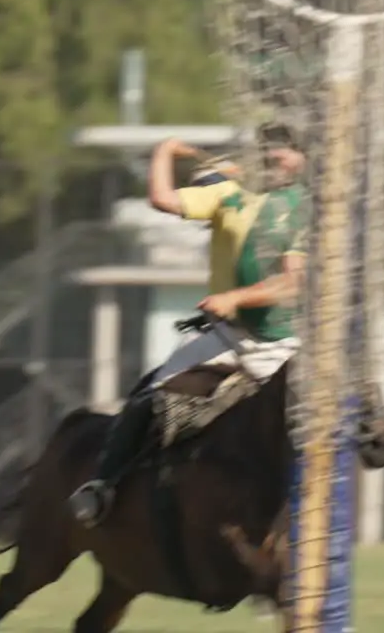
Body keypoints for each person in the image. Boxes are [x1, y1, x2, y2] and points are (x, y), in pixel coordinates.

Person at [67, 121, 309, 528]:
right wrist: (163, 151)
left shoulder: (309, 208)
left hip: (286, 346)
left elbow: (293, 283)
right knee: (149, 395)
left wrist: (234, 297)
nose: (274, 155)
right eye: (268, 147)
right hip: (230, 337)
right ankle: (103, 485)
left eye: (285, 148)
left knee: (332, 418)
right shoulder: (229, 194)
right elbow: (161, 199)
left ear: (303, 158)